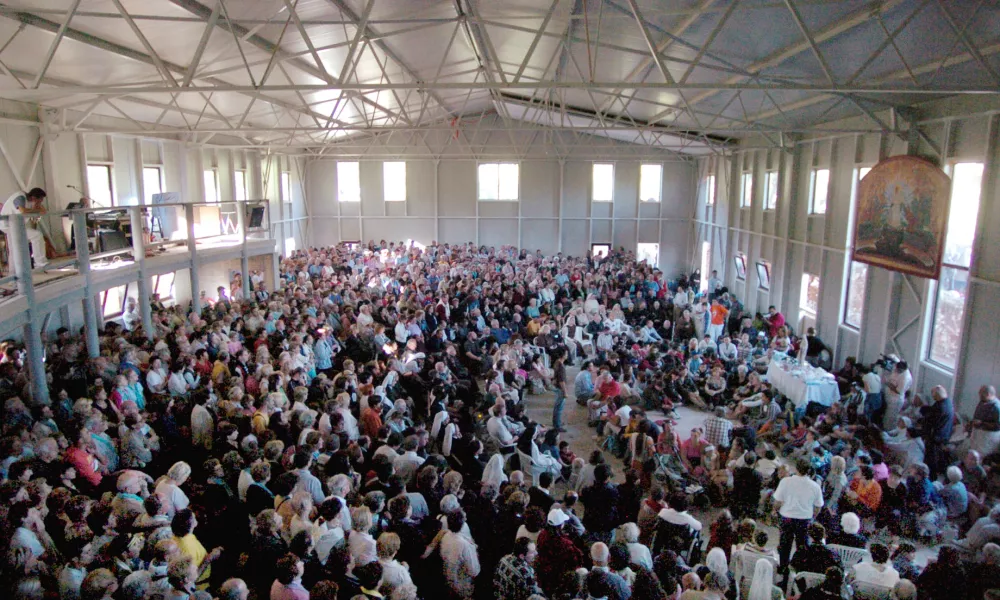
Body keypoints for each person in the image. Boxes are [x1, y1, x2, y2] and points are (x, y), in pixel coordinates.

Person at [772, 459, 824, 576]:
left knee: (785, 544)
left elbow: (778, 501)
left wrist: (775, 510)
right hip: (804, 519)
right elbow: (818, 506)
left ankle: (783, 567)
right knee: (802, 545)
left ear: (796, 469)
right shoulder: (815, 486)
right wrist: (812, 517)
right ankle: (800, 569)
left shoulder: (786, 481)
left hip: (787, 517)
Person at [0, 187, 48, 269]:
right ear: (34, 197)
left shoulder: (30, 201)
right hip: (9, 225)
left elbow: (42, 211)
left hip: (13, 225)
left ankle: (13, 271)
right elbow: (23, 211)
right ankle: (40, 262)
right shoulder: (20, 197)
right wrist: (36, 210)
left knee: (14, 249)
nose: (40, 202)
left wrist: (37, 207)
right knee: (37, 235)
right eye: (40, 200)